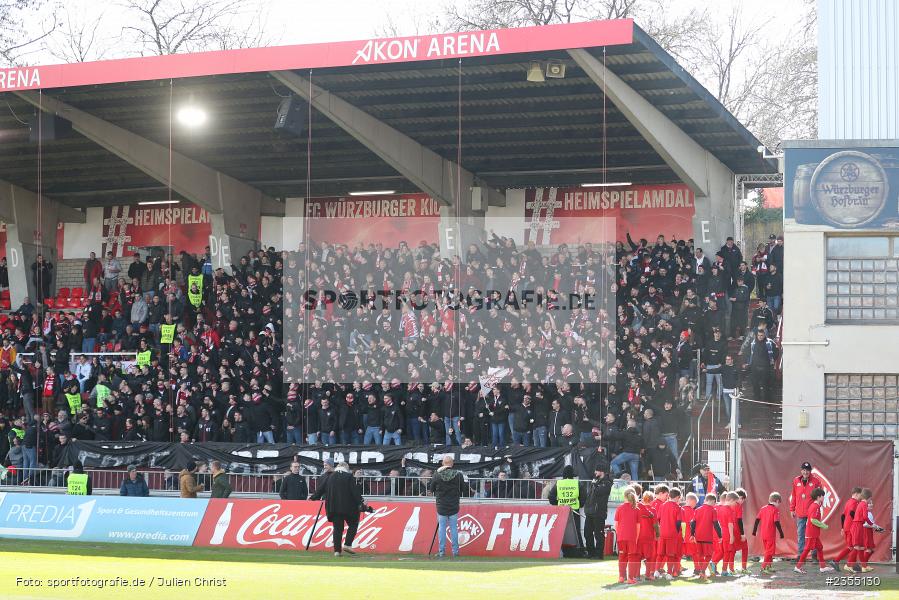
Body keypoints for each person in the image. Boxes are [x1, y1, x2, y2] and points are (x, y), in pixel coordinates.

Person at [310, 461, 366, 557]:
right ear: (346, 468)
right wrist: (361, 502)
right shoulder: (349, 477)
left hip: (333, 507)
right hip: (348, 508)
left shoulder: (329, 477)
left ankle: (337, 551)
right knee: (353, 524)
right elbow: (355, 492)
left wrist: (313, 498)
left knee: (337, 529)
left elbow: (320, 490)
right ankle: (347, 544)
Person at [428, 455, 465, 558]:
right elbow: (463, 489)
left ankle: (441, 552)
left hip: (441, 506)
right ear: (452, 464)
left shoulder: (437, 474)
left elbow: (431, 489)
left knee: (442, 529)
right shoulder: (458, 475)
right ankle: (455, 551)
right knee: (454, 529)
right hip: (454, 505)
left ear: (443, 463)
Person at [794, 488, 834, 574]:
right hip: (811, 533)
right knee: (807, 549)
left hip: (814, 533)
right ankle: (798, 567)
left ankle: (822, 567)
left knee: (819, 547)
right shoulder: (815, 506)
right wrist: (823, 525)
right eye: (823, 496)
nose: (824, 498)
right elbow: (813, 520)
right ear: (818, 497)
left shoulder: (815, 505)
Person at [548, 465, 588, 553]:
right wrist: (579, 504)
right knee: (576, 531)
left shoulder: (559, 483)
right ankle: (580, 551)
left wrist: (558, 504)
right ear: (572, 475)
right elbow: (584, 496)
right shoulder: (577, 483)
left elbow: (550, 497)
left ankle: (561, 551)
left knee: (561, 531)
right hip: (574, 511)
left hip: (562, 511)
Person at [790, 461, 823, 562]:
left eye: (807, 470)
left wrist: (817, 506)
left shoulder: (816, 481)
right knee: (800, 534)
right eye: (804, 470)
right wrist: (792, 509)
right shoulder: (796, 481)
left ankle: (814, 556)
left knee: (813, 535)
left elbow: (820, 496)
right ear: (801, 471)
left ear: (810, 471)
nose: (805, 472)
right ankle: (801, 555)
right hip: (800, 513)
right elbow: (794, 495)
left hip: (812, 514)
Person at [582, 464, 612, 560]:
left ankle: (599, 554)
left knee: (598, 534)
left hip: (599, 512)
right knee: (587, 533)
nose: (595, 472)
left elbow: (599, 492)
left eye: (596, 471)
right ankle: (591, 552)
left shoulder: (607, 482)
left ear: (601, 471)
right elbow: (590, 494)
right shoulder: (595, 481)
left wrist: (595, 484)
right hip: (590, 511)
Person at [689, 492, 721, 581]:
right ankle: (702, 571)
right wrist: (720, 536)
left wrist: (692, 534)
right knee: (709, 555)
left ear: (705, 500)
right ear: (713, 501)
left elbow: (693, 523)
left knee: (700, 555)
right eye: (715, 503)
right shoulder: (713, 510)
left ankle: (701, 571)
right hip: (707, 537)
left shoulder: (697, 509)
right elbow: (716, 524)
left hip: (698, 536)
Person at [752, 491, 784, 574]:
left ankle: (769, 566)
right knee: (769, 552)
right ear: (777, 501)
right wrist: (781, 532)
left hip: (763, 534)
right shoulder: (775, 510)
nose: (778, 505)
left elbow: (757, 520)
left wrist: (754, 531)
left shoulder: (763, 508)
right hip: (770, 535)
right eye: (779, 503)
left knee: (768, 551)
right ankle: (763, 567)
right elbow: (777, 522)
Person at [831, 487, 862, 572]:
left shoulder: (848, 502)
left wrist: (842, 528)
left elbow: (843, 516)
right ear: (856, 494)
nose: (861, 497)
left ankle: (852, 564)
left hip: (847, 527)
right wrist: (858, 522)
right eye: (860, 495)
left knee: (852, 546)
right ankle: (838, 562)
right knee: (852, 547)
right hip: (852, 528)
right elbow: (852, 513)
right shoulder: (855, 502)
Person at [614, 487, 640, 584]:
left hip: (621, 537)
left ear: (624, 496)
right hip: (632, 537)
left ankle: (621, 577)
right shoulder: (636, 509)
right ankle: (630, 578)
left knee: (622, 557)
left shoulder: (619, 508)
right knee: (632, 557)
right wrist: (636, 538)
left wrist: (619, 534)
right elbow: (638, 527)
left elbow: (616, 524)